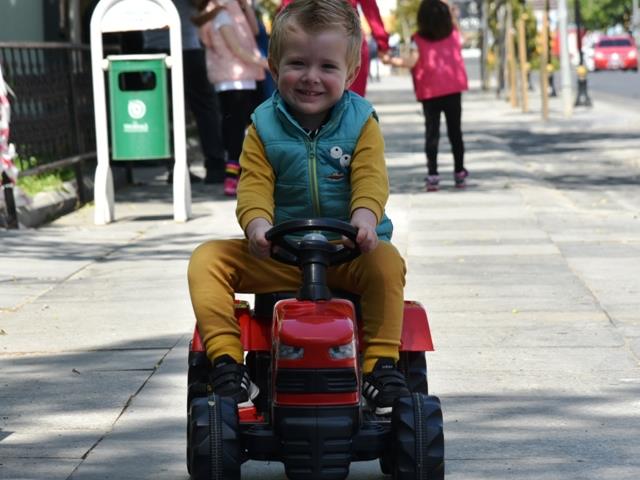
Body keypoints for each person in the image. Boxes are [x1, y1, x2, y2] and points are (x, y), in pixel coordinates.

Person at [188, 0, 410, 415]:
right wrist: (256, 226)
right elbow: (253, 183)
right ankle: (226, 363)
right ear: (273, 68)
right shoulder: (262, 126)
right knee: (206, 260)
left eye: (327, 67)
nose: (311, 78)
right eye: (297, 64)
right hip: (281, 255)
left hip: (346, 254)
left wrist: (364, 219)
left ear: (351, 73)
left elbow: (370, 178)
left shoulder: (362, 121)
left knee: (388, 264)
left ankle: (381, 366)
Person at [383, 0, 469, 191]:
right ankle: (459, 172)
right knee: (456, 132)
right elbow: (461, 36)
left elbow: (411, 62)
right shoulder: (454, 35)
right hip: (453, 89)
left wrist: (390, 61)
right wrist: (450, 11)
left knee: (432, 133)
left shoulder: (418, 39)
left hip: (430, 92)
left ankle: (433, 174)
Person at [143, 0, 226, 184]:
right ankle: (215, 166)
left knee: (165, 112)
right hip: (185, 47)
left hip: (153, 49)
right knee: (205, 108)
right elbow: (198, 8)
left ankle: (176, 167)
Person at [196, 0, 268, 196]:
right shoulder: (221, 12)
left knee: (243, 128)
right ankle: (232, 177)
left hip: (245, 76)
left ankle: (239, 175)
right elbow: (236, 48)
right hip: (234, 79)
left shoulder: (233, 9)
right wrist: (263, 62)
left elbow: (254, 31)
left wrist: (247, 7)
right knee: (236, 130)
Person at [279, 0, 390, 97]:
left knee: (351, 106)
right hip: (340, 42)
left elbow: (288, 8)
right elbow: (371, 9)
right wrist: (382, 45)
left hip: (340, 43)